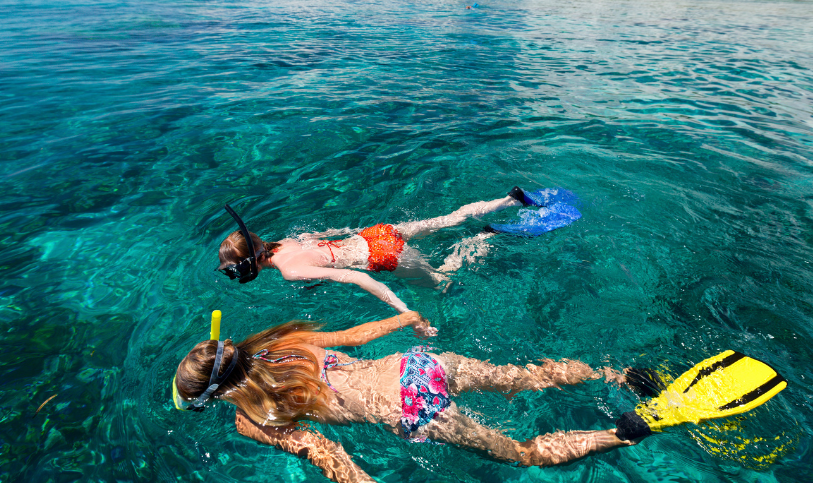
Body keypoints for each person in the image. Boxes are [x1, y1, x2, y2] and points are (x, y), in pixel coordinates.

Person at [172, 311, 645, 483]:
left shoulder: (251, 419)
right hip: (415, 365)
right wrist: (406, 317)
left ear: (216, 396)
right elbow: (356, 337)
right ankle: (617, 374)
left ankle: (620, 433)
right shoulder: (282, 347)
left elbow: (325, 451)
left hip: (413, 409)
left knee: (524, 454)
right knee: (521, 378)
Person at [217, 189, 532, 332]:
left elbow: (358, 278)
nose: (237, 274)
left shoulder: (290, 270)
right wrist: (355, 232)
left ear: (252, 263)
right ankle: (508, 200)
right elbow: (330, 234)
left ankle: (485, 238)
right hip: (376, 234)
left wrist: (405, 313)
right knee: (446, 220)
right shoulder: (284, 242)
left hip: (382, 256)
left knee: (441, 280)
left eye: (237, 270)